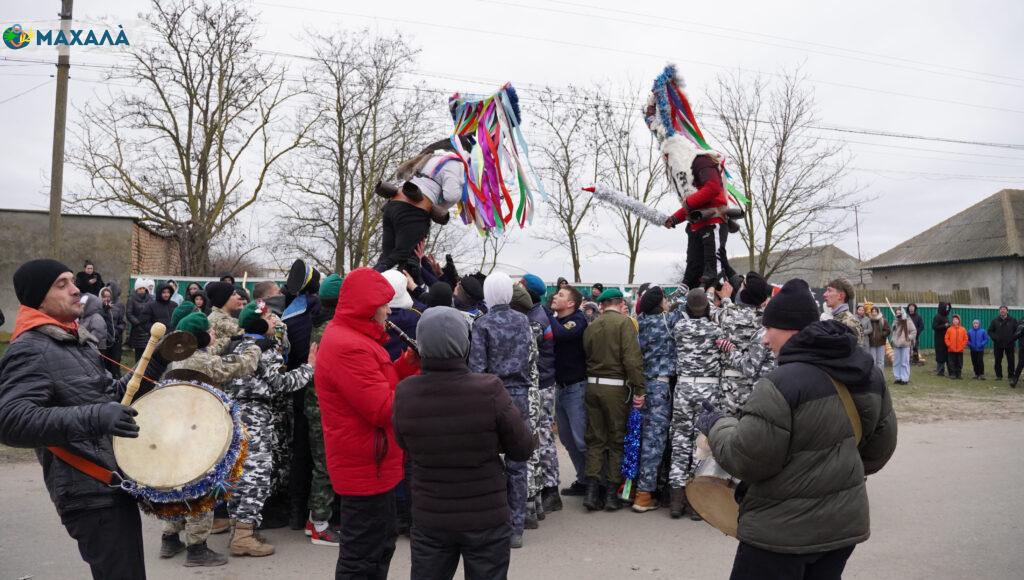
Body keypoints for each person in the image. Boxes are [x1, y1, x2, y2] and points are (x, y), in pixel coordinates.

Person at [696, 278, 898, 580]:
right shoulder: (868, 372)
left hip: (780, 535)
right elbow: (880, 450)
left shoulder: (780, 384)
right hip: (842, 528)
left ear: (790, 329)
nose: (764, 340)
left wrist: (717, 425)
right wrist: (832, 470)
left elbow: (747, 459)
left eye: (769, 329)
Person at [0, 259, 166, 579]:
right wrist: (97, 416)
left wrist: (158, 361)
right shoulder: (31, 348)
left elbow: (117, 397)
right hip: (88, 494)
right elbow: (10, 420)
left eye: (71, 282)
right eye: (61, 285)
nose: (76, 290)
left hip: (109, 485)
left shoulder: (74, 341)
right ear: (38, 297)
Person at [394, 307, 534, 580]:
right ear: (465, 342)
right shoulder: (489, 388)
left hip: (431, 514)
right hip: (485, 515)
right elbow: (522, 448)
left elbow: (404, 442)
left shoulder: (406, 391)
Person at [315, 268, 420, 579]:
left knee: (380, 545)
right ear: (367, 306)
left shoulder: (359, 339)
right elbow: (381, 408)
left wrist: (406, 365)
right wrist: (421, 395)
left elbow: (378, 386)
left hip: (374, 463)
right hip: (364, 467)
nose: (389, 310)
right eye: (384, 304)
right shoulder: (349, 346)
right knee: (362, 557)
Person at [160, 312, 261, 567]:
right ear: (202, 336)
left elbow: (213, 349)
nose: (214, 334)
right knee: (201, 488)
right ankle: (197, 548)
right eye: (210, 331)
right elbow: (239, 365)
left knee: (177, 485)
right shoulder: (202, 361)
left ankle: (170, 538)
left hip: (176, 432)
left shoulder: (177, 358)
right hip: (198, 432)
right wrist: (255, 347)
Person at [225, 301, 316, 557]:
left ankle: (240, 529)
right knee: (257, 475)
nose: (274, 321)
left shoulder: (234, 345)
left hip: (234, 415)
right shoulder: (264, 350)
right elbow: (282, 383)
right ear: (261, 323)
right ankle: (243, 535)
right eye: (269, 318)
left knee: (239, 472)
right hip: (256, 416)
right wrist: (310, 366)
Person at [468, 272, 535, 548]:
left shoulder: (482, 324)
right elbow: (530, 358)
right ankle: (516, 526)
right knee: (518, 463)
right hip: (519, 395)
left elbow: (476, 368)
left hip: (491, 395)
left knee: (487, 460)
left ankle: (491, 521)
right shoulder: (524, 322)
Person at [581, 288, 645, 512]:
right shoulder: (624, 323)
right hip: (616, 389)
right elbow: (631, 360)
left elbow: (586, 353)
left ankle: (591, 491)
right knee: (616, 440)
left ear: (602, 304)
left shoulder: (592, 325)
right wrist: (640, 389)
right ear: (619, 303)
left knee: (595, 439)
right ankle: (610, 494)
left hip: (592, 386)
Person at [667, 288, 724, 519]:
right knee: (701, 445)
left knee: (679, 440)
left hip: (683, 388)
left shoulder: (679, 328)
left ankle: (675, 502)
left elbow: (673, 311)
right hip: (707, 390)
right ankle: (696, 504)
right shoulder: (716, 330)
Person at [633, 286, 684, 513]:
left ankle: (632, 486)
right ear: (660, 304)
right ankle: (644, 495)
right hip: (660, 386)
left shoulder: (639, 321)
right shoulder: (666, 322)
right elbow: (686, 304)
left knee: (640, 436)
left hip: (640, 385)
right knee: (655, 440)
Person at [305, 274, 344, 546]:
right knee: (325, 466)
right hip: (323, 407)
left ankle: (314, 520)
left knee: (323, 464)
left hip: (315, 404)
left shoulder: (318, 323)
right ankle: (320, 524)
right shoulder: (331, 330)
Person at [520, 274, 561, 515]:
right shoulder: (535, 313)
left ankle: (551, 490)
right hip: (541, 383)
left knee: (543, 438)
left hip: (542, 385)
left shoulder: (535, 319)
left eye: (521, 286)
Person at [546, 285, 590, 497]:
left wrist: (546, 313)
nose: (555, 296)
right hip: (560, 388)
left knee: (581, 439)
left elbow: (562, 334)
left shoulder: (578, 320)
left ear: (571, 303)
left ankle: (595, 484)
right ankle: (583, 480)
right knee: (567, 439)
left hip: (576, 389)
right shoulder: (557, 320)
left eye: (560, 295)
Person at [713, 273, 775, 416]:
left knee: (728, 432)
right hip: (757, 391)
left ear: (746, 293)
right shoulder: (768, 320)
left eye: (741, 286)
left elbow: (709, 308)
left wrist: (717, 293)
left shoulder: (728, 316)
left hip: (731, 390)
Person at [205, 281, 245, 353]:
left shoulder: (222, 316)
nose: (239, 296)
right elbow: (248, 334)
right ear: (223, 299)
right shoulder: (220, 320)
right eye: (234, 294)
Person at [823, 279, 862, 344]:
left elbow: (855, 352)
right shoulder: (835, 318)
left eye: (829, 290)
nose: (824, 294)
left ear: (841, 296)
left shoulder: (850, 322)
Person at [100, 284, 126, 378]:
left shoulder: (118, 306)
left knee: (115, 363)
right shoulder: (98, 308)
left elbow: (122, 322)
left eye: (108, 296)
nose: (106, 299)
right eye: (104, 296)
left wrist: (117, 331)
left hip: (115, 340)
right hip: (103, 341)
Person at [126, 278, 154, 361]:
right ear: (136, 289)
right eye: (140, 288)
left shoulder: (150, 298)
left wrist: (149, 324)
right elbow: (129, 313)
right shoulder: (131, 299)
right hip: (137, 330)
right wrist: (137, 323)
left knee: (147, 355)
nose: (142, 290)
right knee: (138, 355)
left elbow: (153, 312)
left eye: (143, 288)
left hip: (148, 330)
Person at [988, 306, 1017, 380]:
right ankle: (999, 376)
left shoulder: (1013, 320)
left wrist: (1013, 338)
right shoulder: (995, 321)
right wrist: (995, 338)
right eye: (1001, 310)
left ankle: (1011, 376)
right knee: (998, 360)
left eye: (1004, 309)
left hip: (1009, 344)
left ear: (1007, 311)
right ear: (999, 311)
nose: (1002, 311)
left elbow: (1017, 331)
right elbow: (990, 331)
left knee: (1011, 361)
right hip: (998, 344)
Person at [890, 307, 917, 385]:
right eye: (897, 313)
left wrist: (909, 338)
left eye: (899, 313)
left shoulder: (908, 321)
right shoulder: (895, 320)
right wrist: (895, 324)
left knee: (904, 362)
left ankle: (904, 379)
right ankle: (897, 378)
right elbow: (893, 331)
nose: (898, 314)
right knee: (896, 362)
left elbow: (913, 331)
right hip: (896, 344)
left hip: (905, 344)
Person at [944, 314, 968, 380]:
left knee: (959, 363)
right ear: (952, 321)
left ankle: (959, 374)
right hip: (951, 350)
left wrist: (962, 346)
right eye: (954, 320)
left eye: (956, 319)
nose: (955, 321)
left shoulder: (963, 329)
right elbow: (946, 338)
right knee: (951, 363)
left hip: (960, 350)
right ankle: (953, 374)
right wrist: (949, 345)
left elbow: (965, 339)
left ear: (959, 321)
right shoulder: (949, 329)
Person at [867, 307, 890, 372]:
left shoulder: (883, 320)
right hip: (871, 343)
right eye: (873, 311)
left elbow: (888, 330)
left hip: (881, 343)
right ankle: (874, 376)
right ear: (871, 313)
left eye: (875, 311)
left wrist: (882, 335)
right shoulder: (869, 320)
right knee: (873, 360)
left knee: (880, 361)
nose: (874, 313)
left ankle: (881, 375)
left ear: (878, 312)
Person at [932, 302, 952, 377]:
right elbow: (934, 326)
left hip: (947, 339)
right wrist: (944, 326)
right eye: (946, 308)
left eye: (947, 308)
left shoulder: (946, 316)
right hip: (939, 339)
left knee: (947, 355)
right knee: (940, 355)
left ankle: (950, 370)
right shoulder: (937, 317)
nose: (947, 309)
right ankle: (940, 371)